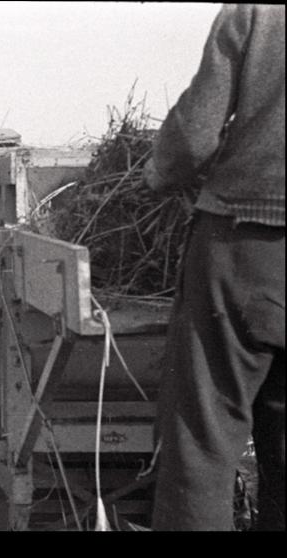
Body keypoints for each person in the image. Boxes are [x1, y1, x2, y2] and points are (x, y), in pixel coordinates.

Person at [143, 4, 284, 531]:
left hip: (247, 242)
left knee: (202, 439)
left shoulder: (257, 10)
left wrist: (156, 173)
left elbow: (194, 134)